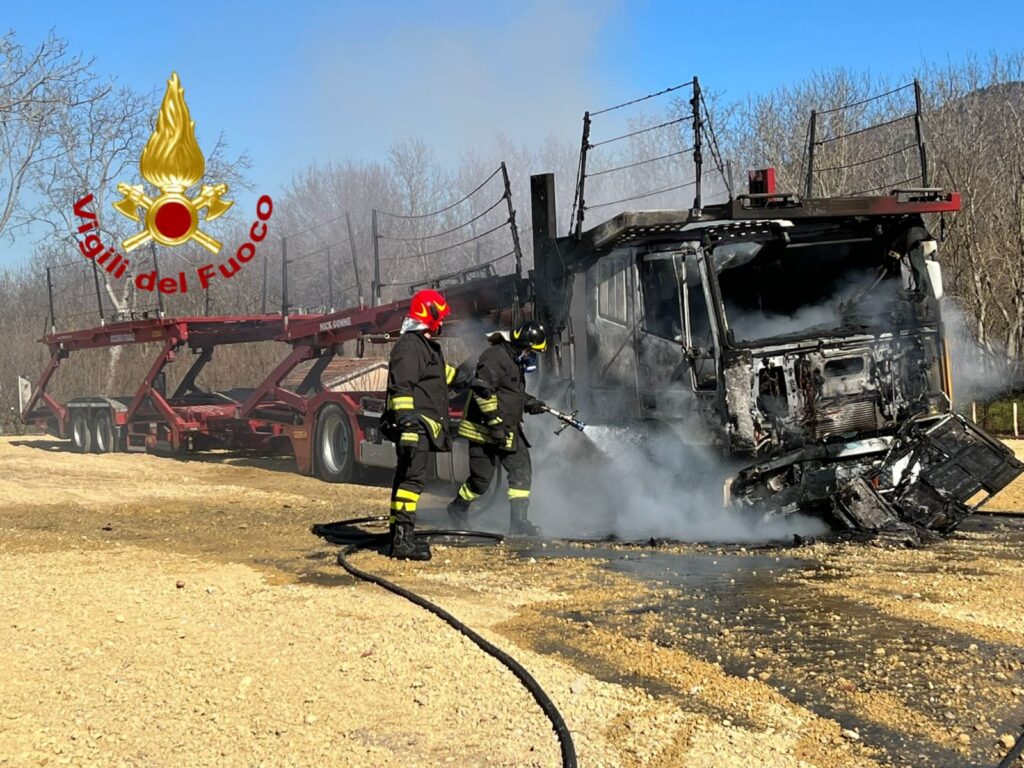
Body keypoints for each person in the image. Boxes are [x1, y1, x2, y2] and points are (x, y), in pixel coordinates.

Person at [447, 320, 548, 536]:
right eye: (532, 351)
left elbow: (510, 393)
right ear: (523, 345)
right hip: (484, 431)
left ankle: (519, 523)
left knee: (521, 471)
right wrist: (495, 426)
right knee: (481, 482)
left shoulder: (513, 360)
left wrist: (530, 403)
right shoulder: (494, 358)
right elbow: (484, 394)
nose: (532, 356)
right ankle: (457, 508)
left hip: (508, 429)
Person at [381, 288, 457, 561]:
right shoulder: (411, 345)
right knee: (411, 482)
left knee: (407, 479)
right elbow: (401, 387)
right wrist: (408, 425)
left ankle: (400, 535)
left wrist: (467, 377)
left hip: (421, 426)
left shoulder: (424, 347)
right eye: (441, 316)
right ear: (430, 314)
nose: (443, 322)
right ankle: (402, 540)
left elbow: (437, 377)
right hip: (416, 427)